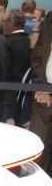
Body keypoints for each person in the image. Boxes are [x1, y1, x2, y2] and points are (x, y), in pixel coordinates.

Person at [30, 11, 52, 173]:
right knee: (34, 164)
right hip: (42, 102)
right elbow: (37, 58)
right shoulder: (50, 18)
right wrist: (42, 88)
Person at [3, 9, 31, 83]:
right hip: (26, 87)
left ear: (10, 22)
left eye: (4, 21)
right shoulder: (31, 41)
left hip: (7, 86)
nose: (3, 24)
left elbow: (2, 68)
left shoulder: (6, 42)